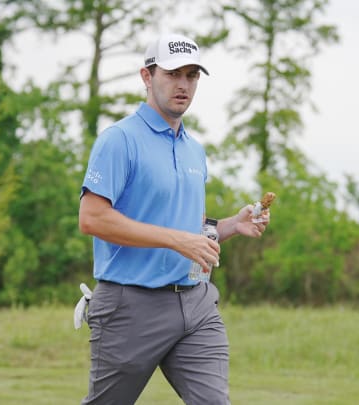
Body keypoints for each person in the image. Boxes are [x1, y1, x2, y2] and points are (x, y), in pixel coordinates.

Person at [77, 33, 269, 405]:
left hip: (195, 304)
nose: (183, 85)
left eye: (192, 75)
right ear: (147, 77)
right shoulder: (119, 140)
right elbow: (92, 219)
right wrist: (176, 239)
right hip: (129, 306)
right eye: (173, 74)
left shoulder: (194, 149)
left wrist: (230, 225)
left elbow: (189, 228)